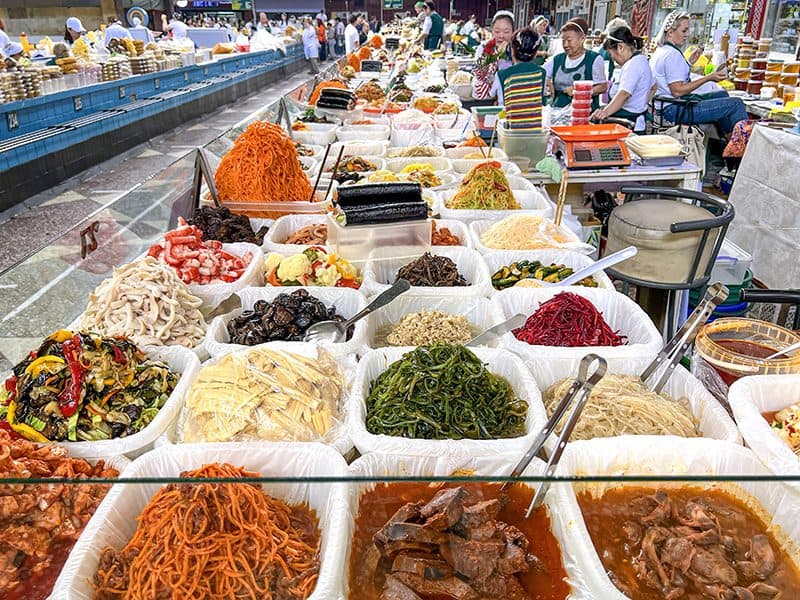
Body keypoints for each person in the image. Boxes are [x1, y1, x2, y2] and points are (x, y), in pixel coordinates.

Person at [650, 10, 747, 136]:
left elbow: (672, 77)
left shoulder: (662, 50)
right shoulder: (672, 55)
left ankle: (729, 143)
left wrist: (689, 64)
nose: (687, 35)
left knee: (721, 94)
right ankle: (739, 147)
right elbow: (677, 90)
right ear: (670, 32)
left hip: (665, 106)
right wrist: (709, 78)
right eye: (684, 31)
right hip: (673, 110)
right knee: (736, 104)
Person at [591, 26, 655, 131]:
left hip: (629, 125)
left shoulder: (632, 65)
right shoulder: (642, 60)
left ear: (620, 47)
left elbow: (624, 94)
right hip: (637, 121)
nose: (614, 60)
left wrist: (605, 112)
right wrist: (641, 102)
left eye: (612, 55)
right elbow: (654, 86)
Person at [544, 18, 607, 110]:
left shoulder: (594, 59)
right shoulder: (557, 59)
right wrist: (547, 82)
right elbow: (540, 73)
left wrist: (579, 91)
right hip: (558, 111)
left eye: (569, 40)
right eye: (563, 41)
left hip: (583, 112)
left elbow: (602, 87)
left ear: (582, 39)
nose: (565, 45)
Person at [494, 28, 546, 131]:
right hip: (535, 132)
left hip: (508, 133)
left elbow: (495, 98)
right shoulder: (542, 73)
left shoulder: (501, 75)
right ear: (535, 54)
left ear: (512, 51)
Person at [472, 11, 514, 100]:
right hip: (487, 97)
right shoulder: (483, 48)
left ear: (512, 32)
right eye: (497, 31)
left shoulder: (517, 50)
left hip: (510, 97)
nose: (501, 35)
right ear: (492, 30)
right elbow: (479, 74)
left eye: (506, 32)